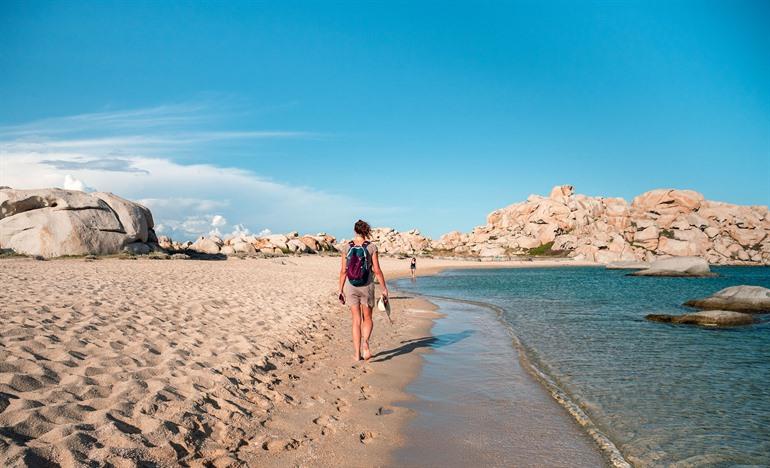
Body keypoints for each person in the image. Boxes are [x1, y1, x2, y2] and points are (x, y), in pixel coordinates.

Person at [338, 219, 388, 362]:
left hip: (351, 286)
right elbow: (377, 270)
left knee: (356, 320)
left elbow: (343, 271)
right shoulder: (371, 247)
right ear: (367, 231)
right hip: (367, 285)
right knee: (368, 318)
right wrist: (384, 288)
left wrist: (340, 290)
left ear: (355, 231)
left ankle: (357, 354)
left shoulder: (346, 247)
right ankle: (365, 342)